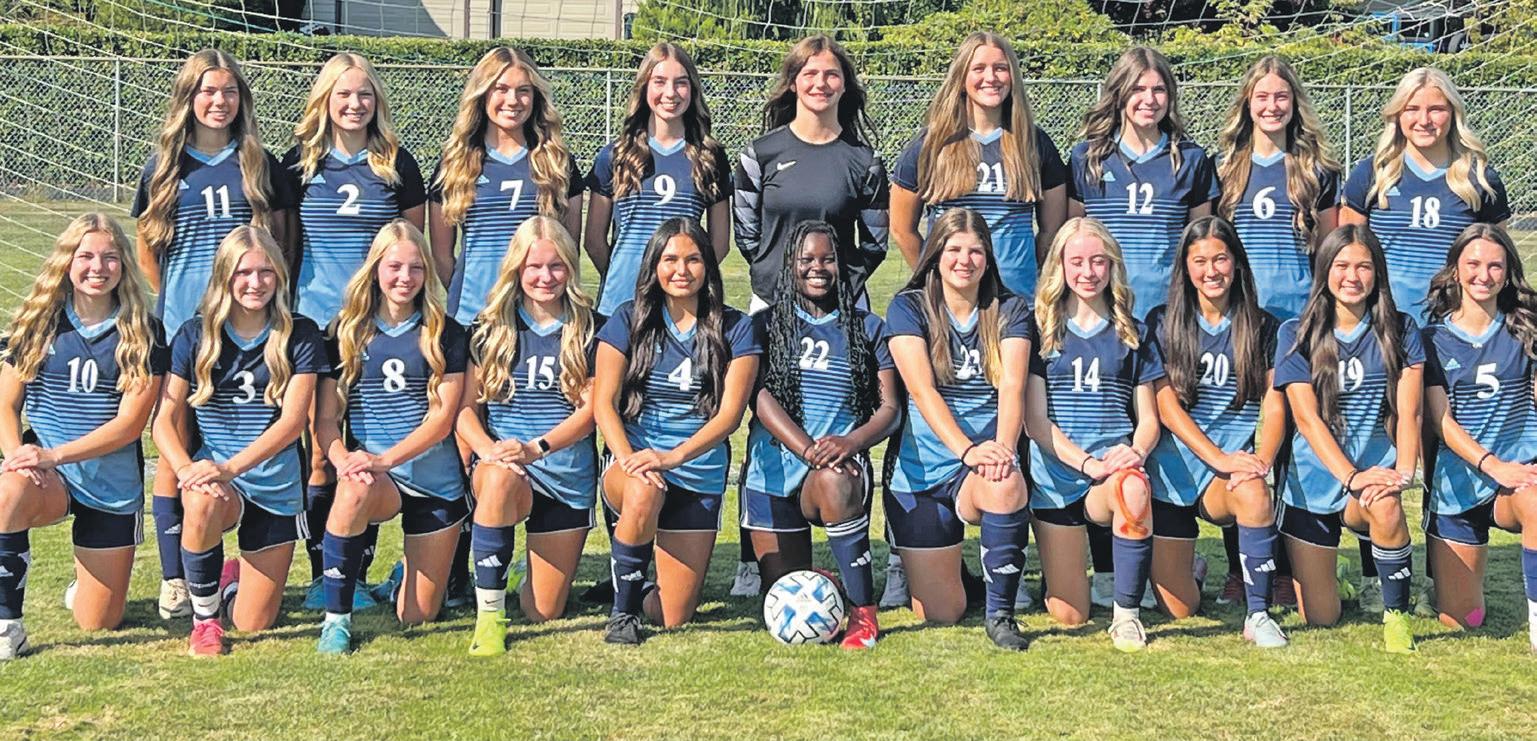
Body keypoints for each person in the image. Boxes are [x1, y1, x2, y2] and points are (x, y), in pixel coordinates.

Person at [132, 49, 294, 621]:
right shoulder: (164, 166)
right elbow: (148, 248)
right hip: (187, 326)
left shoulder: (258, 164)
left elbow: (280, 243)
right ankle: (175, 577)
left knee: (250, 430)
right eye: (207, 91)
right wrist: (185, 306)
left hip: (251, 325)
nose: (218, 101)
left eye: (229, 91)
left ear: (241, 99)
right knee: (174, 443)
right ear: (188, 98)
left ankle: (246, 555)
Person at [730, 33, 888, 596]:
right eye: (810, 74)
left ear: (845, 85)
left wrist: (833, 291)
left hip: (840, 309)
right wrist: (781, 285)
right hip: (774, 305)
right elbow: (748, 234)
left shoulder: (863, 161)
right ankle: (752, 558)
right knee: (765, 420)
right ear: (793, 82)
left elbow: (874, 241)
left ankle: (852, 535)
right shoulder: (761, 153)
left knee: (846, 411)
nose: (821, 83)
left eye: (831, 74)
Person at [1066, 46, 1218, 602]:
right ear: (1119, 94)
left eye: (1158, 90)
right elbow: (1073, 241)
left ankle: (1172, 559)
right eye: (1138, 89)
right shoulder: (1088, 157)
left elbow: (1203, 245)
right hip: (1105, 320)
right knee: (1109, 434)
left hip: (1169, 323)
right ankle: (1108, 566)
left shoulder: (1191, 160)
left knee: (1160, 435)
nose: (1148, 99)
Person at [284, 52, 428, 607]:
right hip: (317, 328)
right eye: (343, 94)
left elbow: (413, 251)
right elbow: (281, 245)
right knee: (323, 452)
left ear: (377, 101)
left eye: (364, 94)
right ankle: (324, 571)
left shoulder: (396, 164)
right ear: (325, 100)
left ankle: (359, 568)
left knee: (368, 446)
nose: (354, 104)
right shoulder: (299, 163)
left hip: (377, 328)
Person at [152, 226, 325, 656]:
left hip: (274, 484)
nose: (255, 282)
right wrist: (187, 470)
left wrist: (229, 468)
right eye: (244, 272)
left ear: (279, 276)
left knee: (254, 622)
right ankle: (205, 622)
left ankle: (228, 582)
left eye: (266, 272)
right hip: (215, 481)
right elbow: (164, 420)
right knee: (200, 499)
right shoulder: (194, 334)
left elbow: (292, 423)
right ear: (225, 277)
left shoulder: (299, 333)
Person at [0, 214, 167, 659]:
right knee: (7, 491)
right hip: (47, 476)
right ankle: (7, 624)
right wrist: (18, 455)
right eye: (86, 256)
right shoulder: (39, 321)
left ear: (124, 264)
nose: (98, 267)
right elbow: (5, 404)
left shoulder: (143, 331)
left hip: (109, 487)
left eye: (110, 257)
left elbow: (129, 425)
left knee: (99, 622)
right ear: (67, 262)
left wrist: (53, 455)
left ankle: (87, 581)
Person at [593, 217, 760, 645]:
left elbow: (729, 417)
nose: (681, 270)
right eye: (670, 259)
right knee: (644, 489)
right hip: (635, 466)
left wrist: (673, 457)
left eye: (693, 259)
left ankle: (633, 580)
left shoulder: (736, 327)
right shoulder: (627, 319)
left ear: (708, 266)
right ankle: (622, 614)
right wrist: (629, 460)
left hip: (696, 470)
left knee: (674, 616)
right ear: (654, 265)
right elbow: (604, 404)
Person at [741, 220, 901, 650]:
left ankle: (863, 614)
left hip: (836, 469)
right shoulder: (764, 326)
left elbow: (890, 408)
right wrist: (806, 448)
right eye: (807, 259)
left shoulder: (867, 327)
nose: (818, 268)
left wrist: (850, 443)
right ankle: (832, 579)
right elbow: (758, 396)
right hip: (774, 471)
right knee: (785, 593)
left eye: (828, 259)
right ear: (790, 265)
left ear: (841, 265)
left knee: (834, 479)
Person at [310, 220, 468, 654]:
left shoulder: (445, 332)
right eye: (395, 266)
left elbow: (442, 420)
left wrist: (384, 459)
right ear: (375, 268)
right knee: (351, 489)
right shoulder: (345, 330)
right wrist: (343, 459)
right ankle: (336, 622)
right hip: (377, 478)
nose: (405, 277)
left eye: (416, 268)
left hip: (435, 483)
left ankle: (404, 576)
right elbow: (326, 420)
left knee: (417, 616)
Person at [884, 208, 1033, 651]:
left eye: (975, 251)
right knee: (942, 611)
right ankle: (964, 576)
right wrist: (966, 449)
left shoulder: (1010, 308)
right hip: (923, 471)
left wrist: (1002, 451)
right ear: (935, 254)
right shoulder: (908, 307)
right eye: (953, 249)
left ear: (988, 258)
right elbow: (922, 391)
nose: (964, 260)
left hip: (980, 466)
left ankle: (1001, 615)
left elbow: (1013, 386)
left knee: (1006, 483)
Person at [1272, 223, 1423, 653]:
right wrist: (1350, 476)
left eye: (1363, 266)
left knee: (1387, 504)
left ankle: (1396, 617)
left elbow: (1410, 411)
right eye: (1341, 266)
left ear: (1378, 273)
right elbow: (1307, 419)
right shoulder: (1295, 332)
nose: (1352, 277)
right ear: (1324, 270)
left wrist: (1402, 472)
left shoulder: (1401, 328)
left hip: (1371, 480)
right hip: (1313, 483)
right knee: (1321, 617)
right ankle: (1333, 576)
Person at [1143, 216, 1288, 647]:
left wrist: (1262, 460)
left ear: (1237, 263)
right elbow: (1166, 407)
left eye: (1221, 259)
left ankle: (1258, 614)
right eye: (1200, 261)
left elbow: (1275, 402)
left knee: (1254, 492)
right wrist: (1217, 457)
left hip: (1226, 478)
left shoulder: (1263, 326)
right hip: (1173, 475)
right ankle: (1191, 569)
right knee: (1179, 608)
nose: (1212, 271)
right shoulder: (1162, 321)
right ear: (1185, 268)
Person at [457, 216, 599, 656]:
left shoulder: (592, 327)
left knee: (544, 610)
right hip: (505, 468)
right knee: (500, 479)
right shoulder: (488, 328)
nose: (545, 277)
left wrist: (535, 449)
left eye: (556, 266)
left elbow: (592, 412)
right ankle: (490, 618)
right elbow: (465, 410)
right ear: (516, 269)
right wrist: (490, 453)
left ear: (570, 267)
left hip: (564, 474)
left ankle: (518, 572)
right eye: (534, 266)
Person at [1024, 216, 1162, 652]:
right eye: (1077, 261)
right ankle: (1062, 577)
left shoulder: (1132, 332)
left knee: (1133, 488)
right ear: (1060, 265)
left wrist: (1135, 451)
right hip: (1058, 475)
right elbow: (1035, 422)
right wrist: (1086, 463)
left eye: (1099, 261)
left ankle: (1126, 616)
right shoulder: (1039, 327)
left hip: (1111, 473)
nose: (1088, 272)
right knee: (1070, 615)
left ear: (1112, 265)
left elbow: (1149, 419)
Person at [1419, 223, 1537, 652]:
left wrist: (1511, 468)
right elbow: (1441, 422)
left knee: (1536, 501)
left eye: (1495, 266)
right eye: (1473, 264)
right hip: (1460, 486)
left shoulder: (1527, 328)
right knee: (1463, 620)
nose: (1483, 275)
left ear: (1508, 273)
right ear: (1455, 270)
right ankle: (1440, 586)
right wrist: (1492, 465)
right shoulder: (1432, 339)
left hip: (1517, 478)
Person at [890, 31, 1068, 294]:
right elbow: (901, 229)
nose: (991, 77)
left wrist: (1024, 273)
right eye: (979, 68)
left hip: (1017, 299)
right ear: (961, 78)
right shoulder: (931, 145)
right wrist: (932, 276)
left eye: (1000, 68)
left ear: (1013, 77)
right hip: (950, 302)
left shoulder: (1034, 143)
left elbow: (1051, 231)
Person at [1340, 67, 1510, 324]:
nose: (1424, 120)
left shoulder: (1481, 180)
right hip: (1382, 321)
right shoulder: (1371, 173)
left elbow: (1497, 259)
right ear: (1397, 114)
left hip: (1452, 323)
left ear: (1453, 113)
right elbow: (1346, 253)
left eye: (1436, 109)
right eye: (1412, 109)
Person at [429, 46, 584, 326]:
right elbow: (441, 255)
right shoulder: (455, 163)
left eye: (523, 90)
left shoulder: (557, 162)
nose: (512, 100)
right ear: (482, 93)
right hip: (475, 314)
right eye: (500, 89)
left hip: (539, 318)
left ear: (535, 96)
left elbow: (569, 248)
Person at [584, 42, 732, 315]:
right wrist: (628, 275)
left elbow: (719, 244)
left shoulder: (710, 157)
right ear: (644, 87)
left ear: (693, 89)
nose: (670, 93)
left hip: (681, 306)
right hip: (620, 303)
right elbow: (593, 241)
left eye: (681, 83)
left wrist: (684, 278)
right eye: (659, 81)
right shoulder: (615, 155)